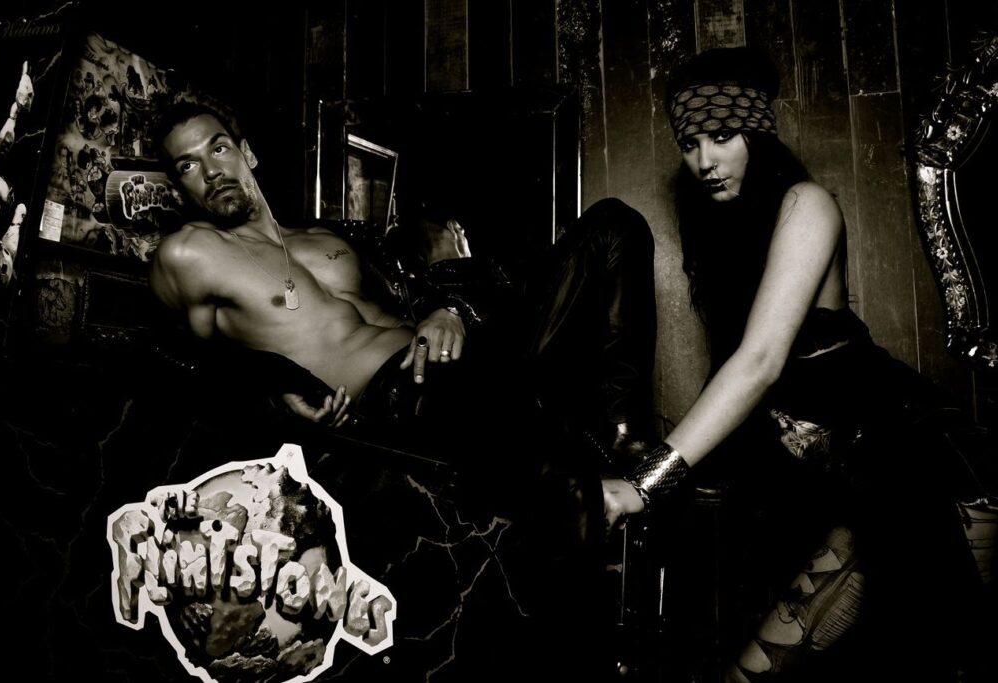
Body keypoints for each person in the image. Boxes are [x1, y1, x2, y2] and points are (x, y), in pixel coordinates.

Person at [148, 100, 658, 674]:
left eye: (218, 148)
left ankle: (626, 445)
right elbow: (176, 361)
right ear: (178, 186)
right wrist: (274, 384)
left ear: (247, 153)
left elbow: (433, 294)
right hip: (402, 393)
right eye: (187, 165)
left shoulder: (326, 238)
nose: (210, 170)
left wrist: (449, 307)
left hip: (470, 359)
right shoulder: (189, 253)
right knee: (550, 473)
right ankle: (587, 644)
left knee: (613, 227)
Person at [601, 47, 998, 682]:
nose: (704, 160)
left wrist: (645, 484)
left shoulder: (806, 202)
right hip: (828, 480)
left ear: (758, 133)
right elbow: (742, 376)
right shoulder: (724, 235)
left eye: (722, 135)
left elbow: (761, 362)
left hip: (907, 461)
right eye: (689, 143)